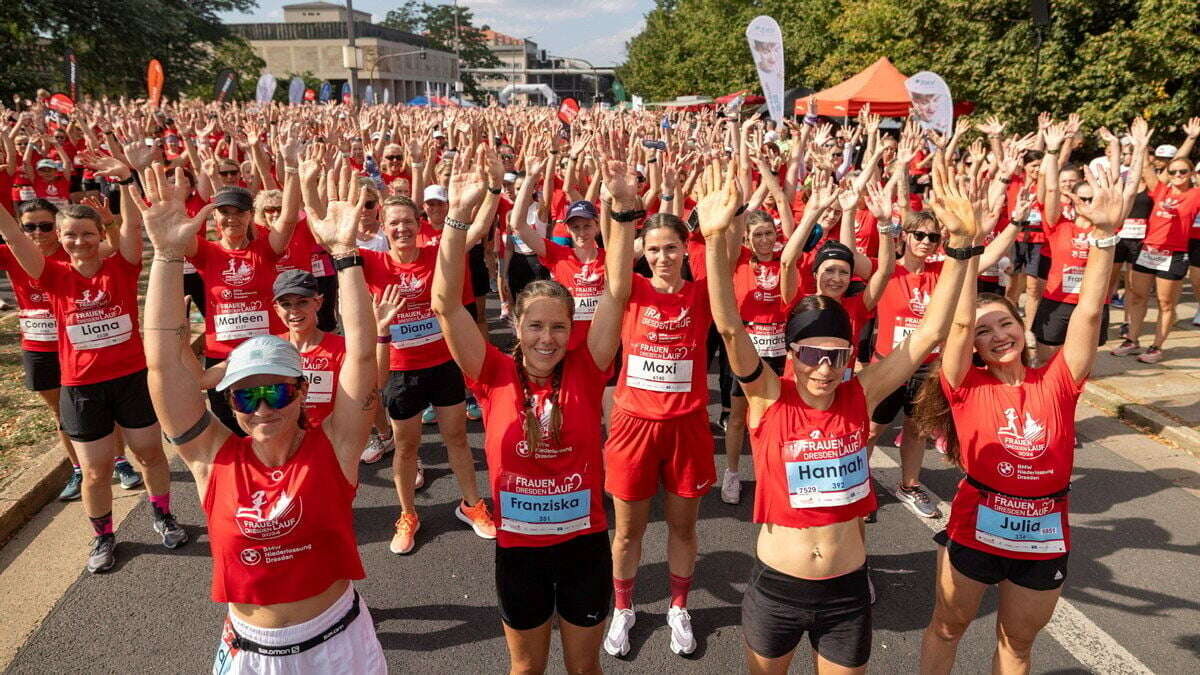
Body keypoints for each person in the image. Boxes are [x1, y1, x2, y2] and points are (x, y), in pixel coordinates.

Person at [703, 156, 977, 674]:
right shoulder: (768, 395)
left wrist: (960, 251)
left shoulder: (862, 392)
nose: (823, 369)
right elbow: (731, 329)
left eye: (836, 356)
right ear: (791, 355)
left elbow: (927, 337)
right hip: (776, 589)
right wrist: (717, 241)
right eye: (810, 354)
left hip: (847, 593)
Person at [913, 120, 1144, 675]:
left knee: (1017, 645)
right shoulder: (963, 383)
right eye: (986, 332)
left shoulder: (1058, 381)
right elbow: (962, 320)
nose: (997, 336)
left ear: (1024, 326)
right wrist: (965, 248)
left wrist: (1105, 239)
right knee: (947, 627)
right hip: (977, 522)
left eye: (1006, 324)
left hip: (1044, 531)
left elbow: (1088, 312)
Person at [139, 161, 386, 673]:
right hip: (251, 653)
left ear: (301, 390)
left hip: (338, 644)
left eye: (276, 390)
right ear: (229, 404)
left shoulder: (336, 447)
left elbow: (361, 357)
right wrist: (164, 256)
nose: (264, 408)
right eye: (246, 398)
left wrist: (345, 255)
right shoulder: (211, 459)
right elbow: (162, 357)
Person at [432, 143, 621, 675]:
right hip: (520, 553)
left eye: (558, 327)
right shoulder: (490, 373)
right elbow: (444, 303)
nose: (547, 338)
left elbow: (618, 291)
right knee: (527, 669)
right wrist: (457, 216)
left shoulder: (589, 365)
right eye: (535, 326)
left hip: (584, 546)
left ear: (571, 330)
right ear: (515, 324)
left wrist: (623, 215)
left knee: (584, 670)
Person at [0, 168, 187, 574]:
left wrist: (125, 183)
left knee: (150, 453)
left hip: (131, 379)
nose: (79, 242)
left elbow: (133, 224)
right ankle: (103, 536)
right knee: (97, 469)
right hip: (82, 387)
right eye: (70, 236)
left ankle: (163, 515)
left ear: (100, 234)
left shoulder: (120, 266)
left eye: (87, 234)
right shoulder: (52, 274)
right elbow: (15, 237)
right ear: (60, 241)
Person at [602, 149, 714, 658]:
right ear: (643, 252)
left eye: (672, 248)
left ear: (686, 250)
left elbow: (724, 245)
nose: (663, 256)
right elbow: (615, 265)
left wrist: (719, 213)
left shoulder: (704, 294)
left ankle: (677, 605)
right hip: (633, 427)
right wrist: (624, 210)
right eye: (654, 249)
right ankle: (624, 607)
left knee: (683, 526)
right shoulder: (633, 290)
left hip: (687, 426)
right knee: (627, 531)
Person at [355, 187, 496, 555]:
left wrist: (492, 189)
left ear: (419, 224)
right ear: (382, 228)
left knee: (458, 438)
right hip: (401, 371)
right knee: (406, 445)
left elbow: (476, 231)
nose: (401, 229)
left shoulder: (437, 255)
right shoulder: (372, 262)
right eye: (394, 223)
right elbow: (331, 243)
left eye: (407, 222)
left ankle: (472, 504)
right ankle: (407, 514)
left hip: (444, 363)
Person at [2, 199, 84, 500]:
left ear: (58, 226)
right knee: (60, 411)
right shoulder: (11, 253)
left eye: (46, 226)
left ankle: (119, 462)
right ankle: (78, 469)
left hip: (77, 342)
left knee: (94, 406)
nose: (38, 232)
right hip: (37, 345)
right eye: (29, 227)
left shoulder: (73, 251)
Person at [1114, 134, 1200, 362]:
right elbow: (1145, 169)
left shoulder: (1196, 195)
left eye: (1183, 172)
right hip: (1149, 251)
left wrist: (1191, 139)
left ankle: (1156, 346)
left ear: (1191, 174)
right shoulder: (1161, 190)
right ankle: (1132, 340)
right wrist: (1140, 144)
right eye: (1174, 172)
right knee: (1137, 296)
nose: (1178, 176)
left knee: (1165, 302)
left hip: (1173, 255)